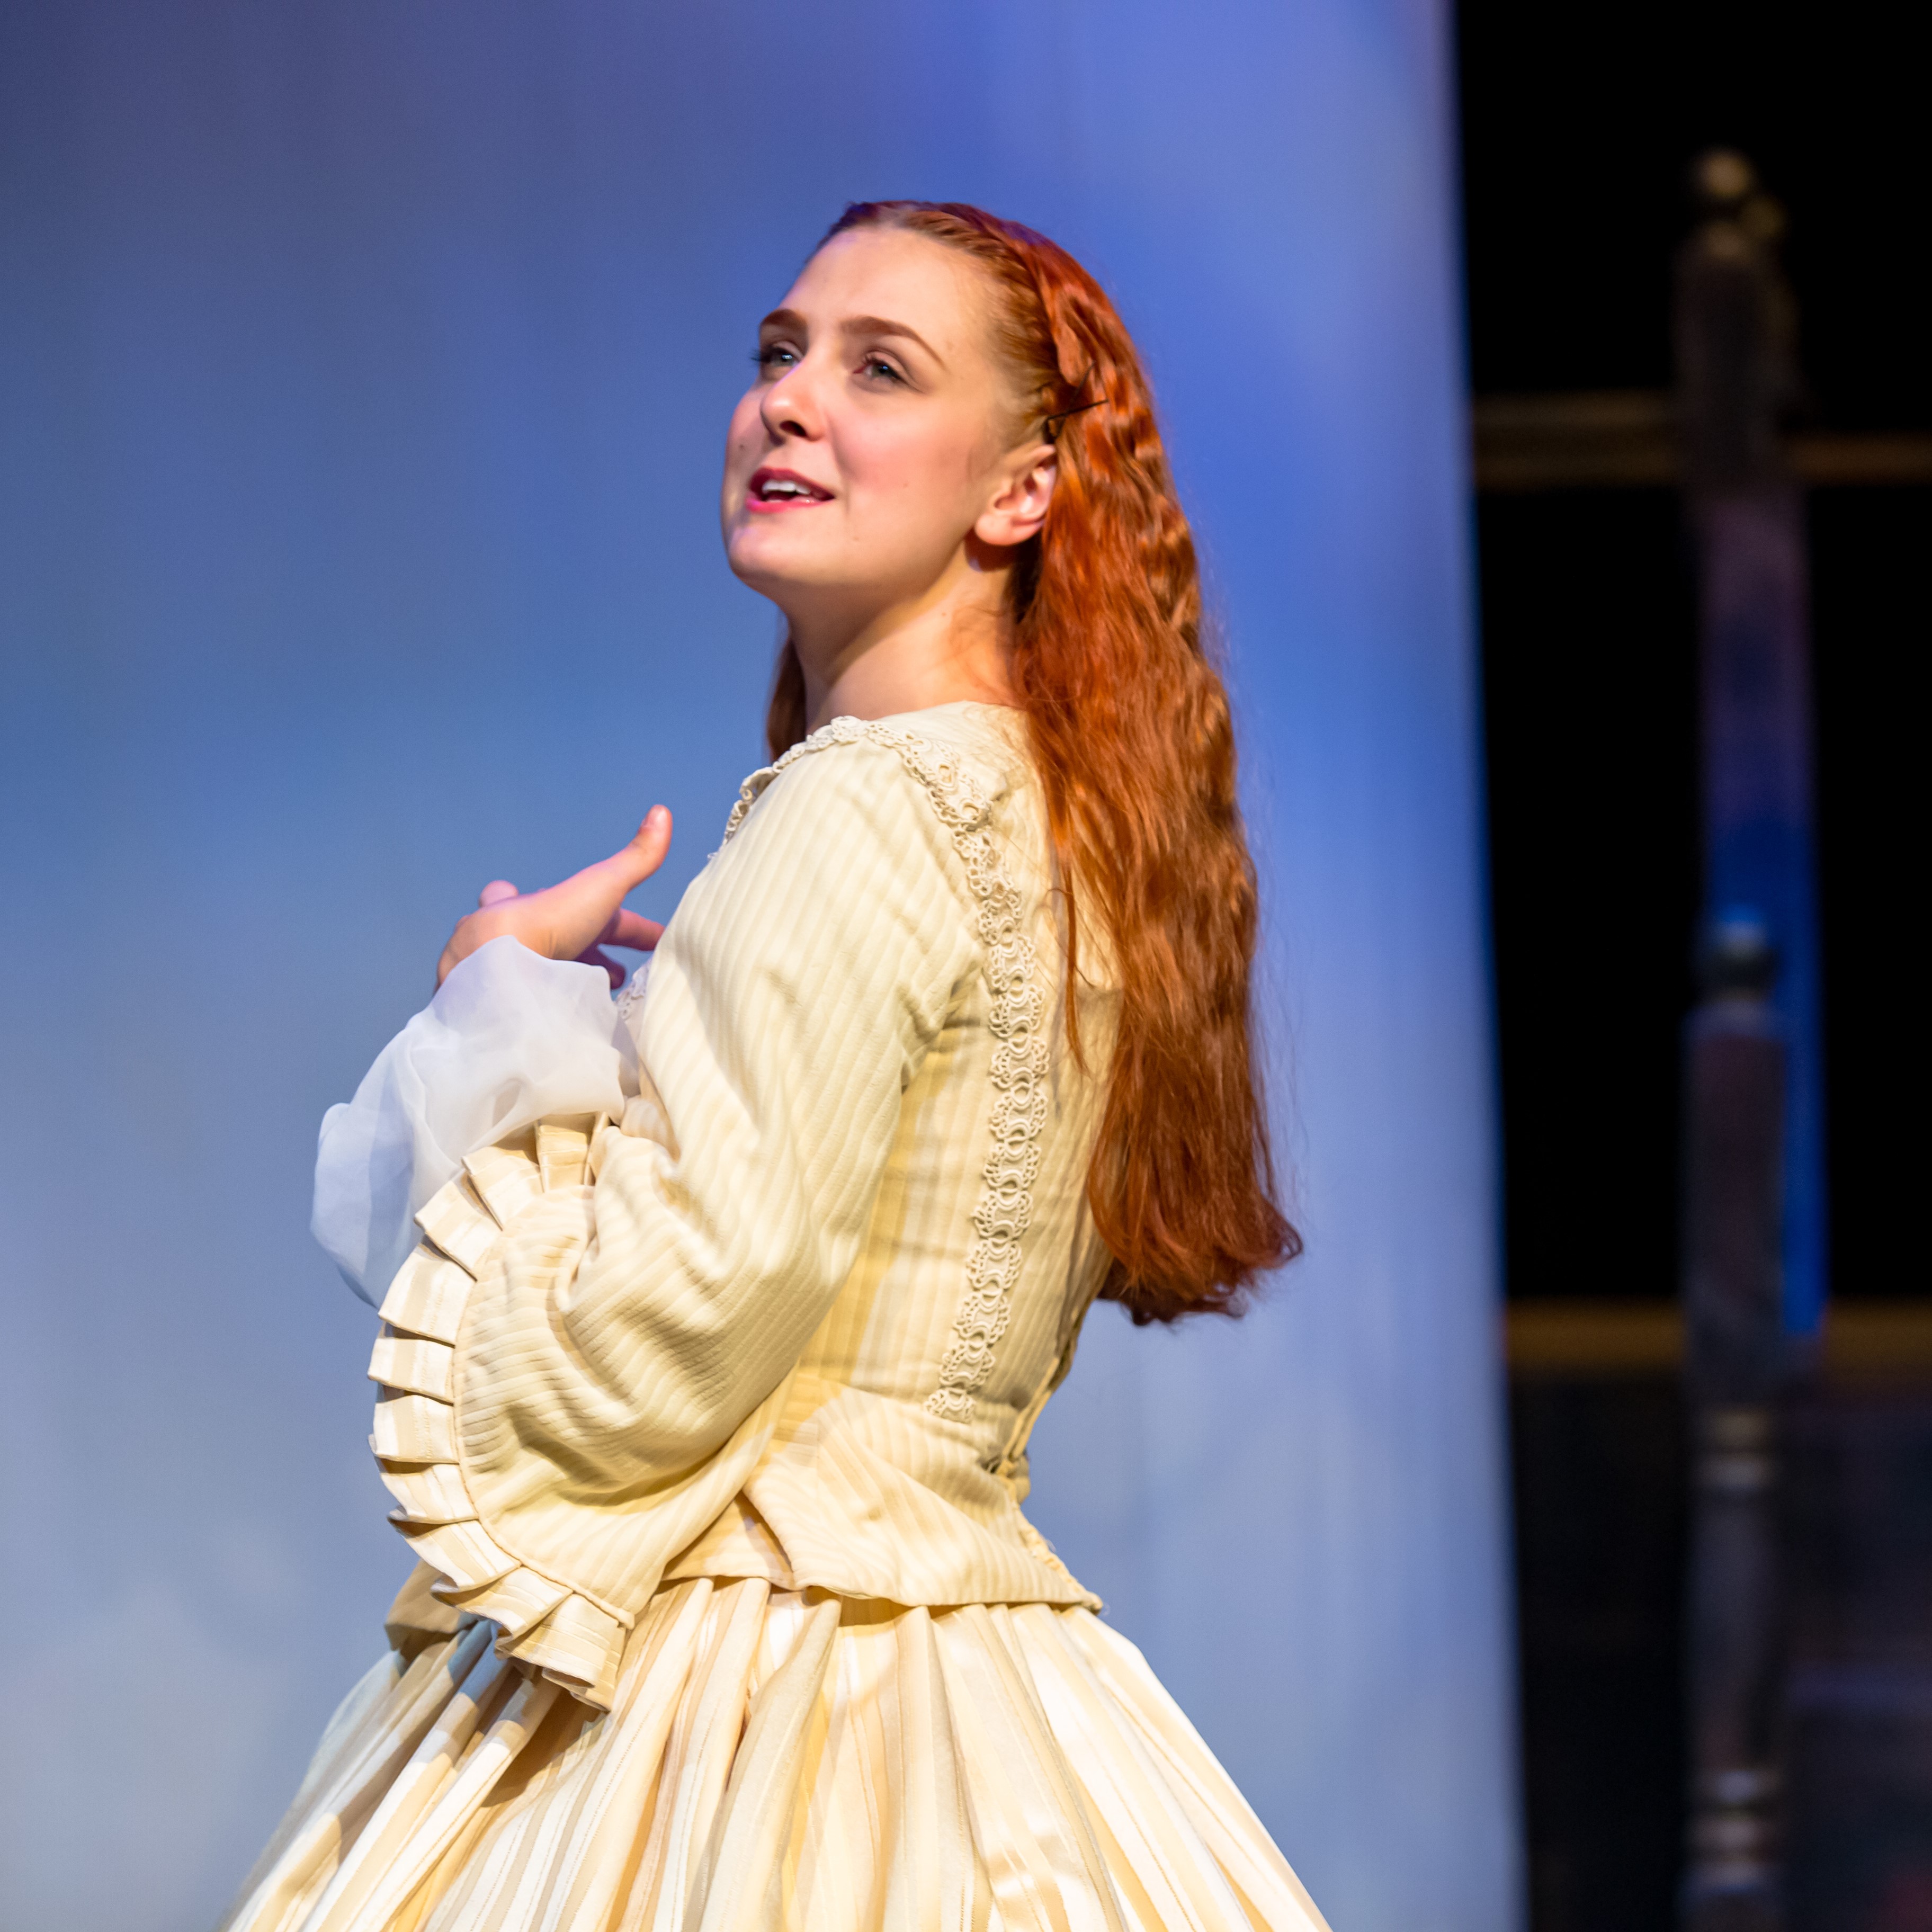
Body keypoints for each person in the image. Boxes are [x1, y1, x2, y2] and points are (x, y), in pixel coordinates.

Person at [223, 201, 1329, 1932]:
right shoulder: (1061, 821)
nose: (790, 403)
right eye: (777, 354)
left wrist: (500, 1022)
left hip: (748, 1696)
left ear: (1021, 488)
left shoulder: (864, 799)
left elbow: (650, 1349)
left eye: (879, 368)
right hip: (979, 1691)